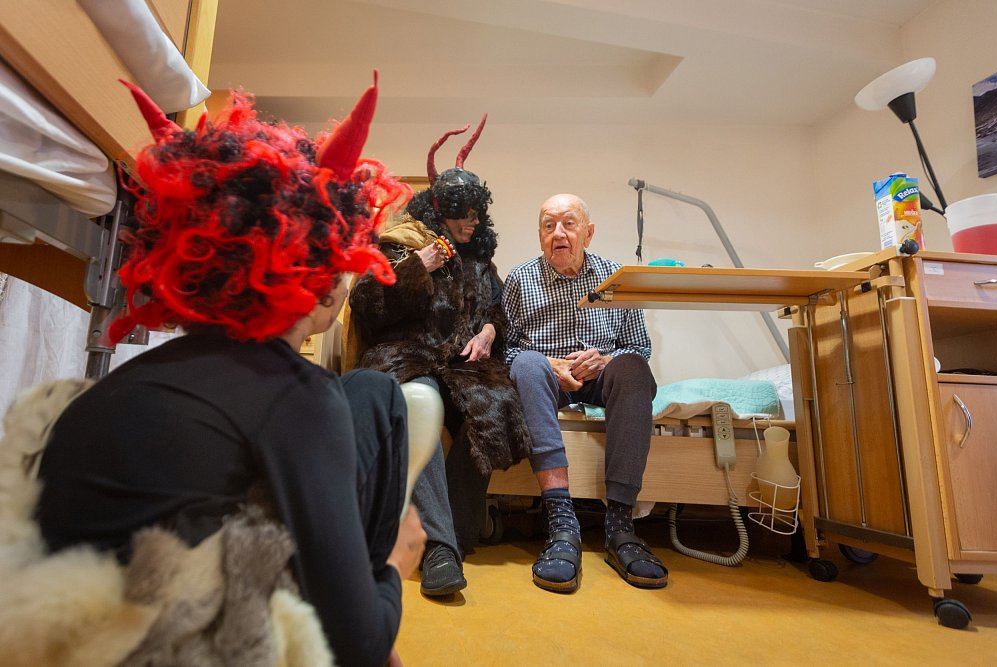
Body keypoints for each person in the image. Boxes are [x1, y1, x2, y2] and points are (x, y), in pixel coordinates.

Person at [33, 76, 425, 666]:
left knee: (371, 390)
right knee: (376, 396)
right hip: (192, 646)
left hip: (81, 634)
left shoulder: (115, 388)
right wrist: (395, 565)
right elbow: (355, 645)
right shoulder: (294, 394)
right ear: (319, 273)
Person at [349, 115, 530, 597]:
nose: (472, 222)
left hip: (462, 363)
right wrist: (416, 268)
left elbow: (497, 310)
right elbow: (364, 304)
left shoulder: (480, 259)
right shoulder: (399, 243)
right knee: (418, 403)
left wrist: (489, 330)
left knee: (495, 405)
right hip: (407, 356)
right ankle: (440, 550)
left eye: (476, 214)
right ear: (439, 212)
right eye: (462, 215)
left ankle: (453, 534)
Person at [503, 193, 666, 593]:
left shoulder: (615, 275)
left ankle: (620, 526)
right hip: (547, 379)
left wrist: (606, 360)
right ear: (540, 235)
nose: (558, 233)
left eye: (569, 224)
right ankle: (561, 520)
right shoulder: (520, 279)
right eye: (548, 225)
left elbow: (639, 346)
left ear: (588, 233)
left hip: (601, 376)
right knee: (526, 364)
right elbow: (503, 350)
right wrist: (549, 363)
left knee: (633, 368)